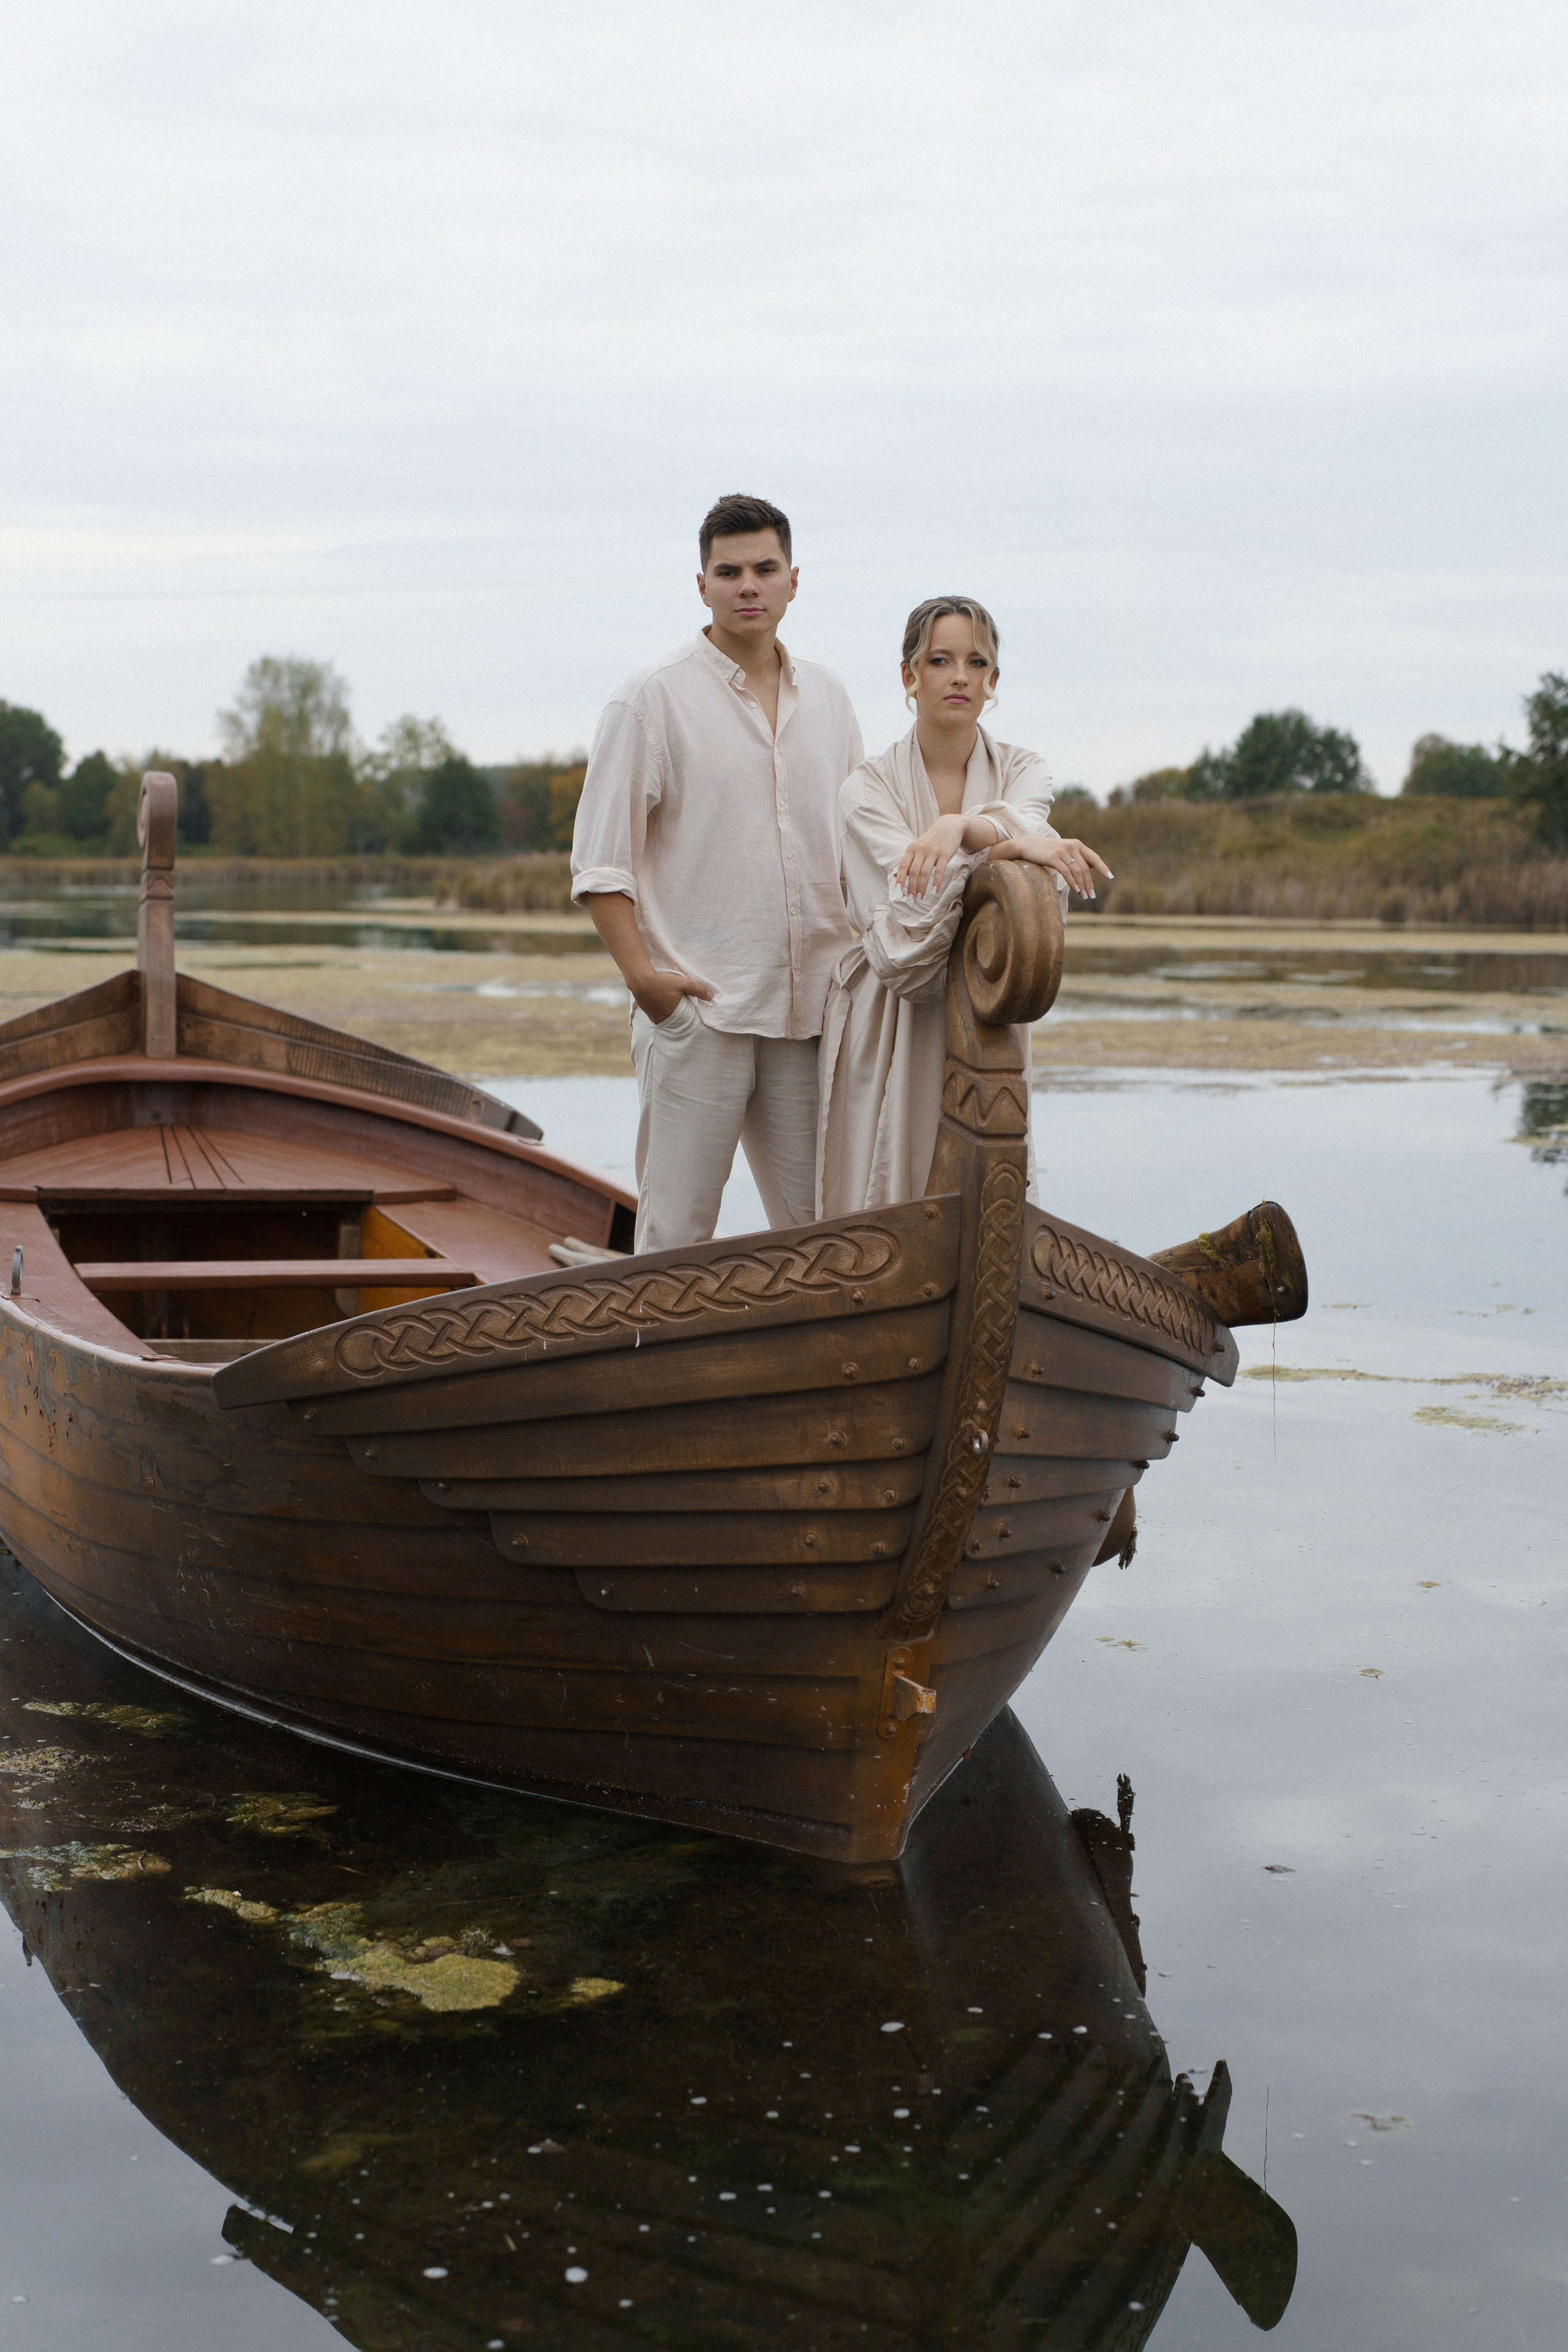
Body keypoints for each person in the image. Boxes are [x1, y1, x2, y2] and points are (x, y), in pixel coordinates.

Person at [571, 493, 864, 1253]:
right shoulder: (650, 698)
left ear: (793, 580)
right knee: (674, 1241)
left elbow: (863, 846)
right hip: (700, 1013)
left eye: (765, 569)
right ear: (701, 585)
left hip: (809, 1015)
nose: (748, 587)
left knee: (822, 1240)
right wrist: (648, 985)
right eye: (729, 573)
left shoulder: (830, 699)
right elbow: (601, 864)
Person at [816, 595, 1111, 1218]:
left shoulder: (1025, 769)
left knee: (989, 1201)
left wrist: (958, 829)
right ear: (909, 675)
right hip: (892, 1012)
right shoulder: (865, 790)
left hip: (989, 1012)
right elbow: (911, 922)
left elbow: (1030, 882)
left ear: (993, 680)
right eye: (940, 661)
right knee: (885, 1198)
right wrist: (1010, 847)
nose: (959, 677)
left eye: (976, 663)